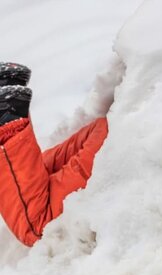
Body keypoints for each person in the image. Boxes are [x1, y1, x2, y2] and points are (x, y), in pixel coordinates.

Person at [0, 62, 108, 246]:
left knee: (38, 213)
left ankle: (8, 108)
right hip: (122, 130)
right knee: (38, 222)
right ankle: (8, 121)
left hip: (113, 127)